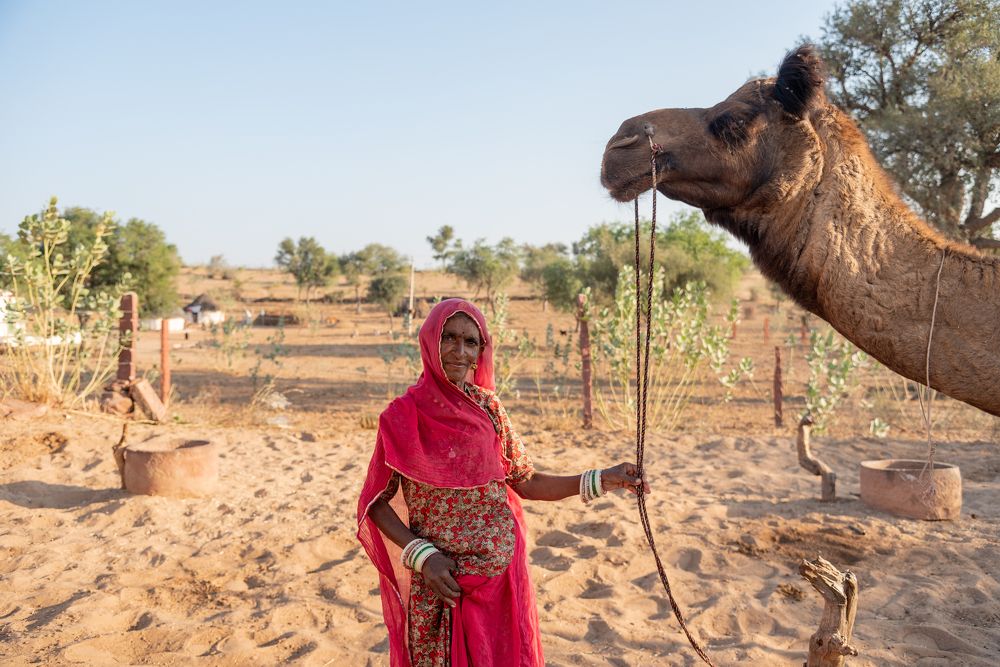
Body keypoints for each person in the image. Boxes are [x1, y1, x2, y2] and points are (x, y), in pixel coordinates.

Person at [357, 298, 649, 667]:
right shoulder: (401, 416)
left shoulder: (489, 409)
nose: (460, 351)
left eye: (471, 342)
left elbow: (527, 482)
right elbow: (376, 503)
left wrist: (603, 479)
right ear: (430, 341)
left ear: (481, 350)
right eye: (449, 338)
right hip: (441, 584)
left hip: (501, 582)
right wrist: (424, 556)